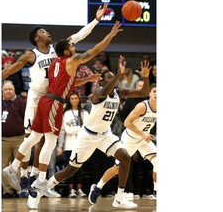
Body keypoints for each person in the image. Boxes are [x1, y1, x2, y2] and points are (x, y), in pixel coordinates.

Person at [2, 3, 107, 198]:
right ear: (36, 38)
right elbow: (9, 71)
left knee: (42, 140)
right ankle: (23, 176)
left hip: (53, 96)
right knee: (31, 137)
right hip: (36, 97)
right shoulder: (29, 55)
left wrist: (96, 20)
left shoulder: (57, 49)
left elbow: (80, 35)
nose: (48, 33)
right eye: (43, 31)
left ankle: (34, 176)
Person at [19, 21, 124, 209]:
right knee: (51, 147)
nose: (74, 47)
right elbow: (93, 51)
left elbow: (66, 82)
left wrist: (87, 78)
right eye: (72, 46)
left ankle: (35, 178)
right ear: (66, 52)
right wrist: (111, 35)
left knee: (40, 139)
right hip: (58, 106)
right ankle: (37, 180)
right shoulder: (71, 61)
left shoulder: (55, 64)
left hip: (53, 102)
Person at [38, 55, 151, 210]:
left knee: (125, 158)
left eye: (114, 77)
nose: (114, 79)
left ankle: (119, 197)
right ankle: (44, 187)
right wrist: (118, 73)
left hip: (105, 135)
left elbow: (143, 92)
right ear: (103, 81)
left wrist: (145, 77)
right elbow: (106, 89)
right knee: (70, 170)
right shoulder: (99, 93)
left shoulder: (120, 92)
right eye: (110, 77)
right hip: (87, 136)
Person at [88, 84, 157, 204]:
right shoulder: (142, 106)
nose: (157, 94)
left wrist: (144, 135)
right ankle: (97, 187)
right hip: (130, 138)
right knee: (117, 168)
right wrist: (143, 134)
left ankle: (156, 190)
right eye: (154, 91)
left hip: (143, 139)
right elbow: (126, 123)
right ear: (149, 94)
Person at [57, 92, 89, 198]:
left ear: (79, 100)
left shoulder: (84, 113)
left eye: (76, 98)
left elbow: (88, 128)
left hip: (82, 145)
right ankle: (71, 190)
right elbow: (66, 130)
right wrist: (80, 128)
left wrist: (74, 128)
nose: (74, 100)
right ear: (69, 100)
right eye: (72, 98)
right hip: (69, 145)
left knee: (80, 168)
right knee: (69, 168)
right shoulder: (66, 114)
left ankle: (79, 189)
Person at [1, 81, 27, 197]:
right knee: (3, 166)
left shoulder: (21, 102)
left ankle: (19, 189)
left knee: (19, 165)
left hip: (19, 139)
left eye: (10, 89)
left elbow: (27, 119)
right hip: (2, 140)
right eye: (6, 89)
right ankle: (7, 191)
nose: (8, 91)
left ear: (14, 91)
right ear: (2, 91)